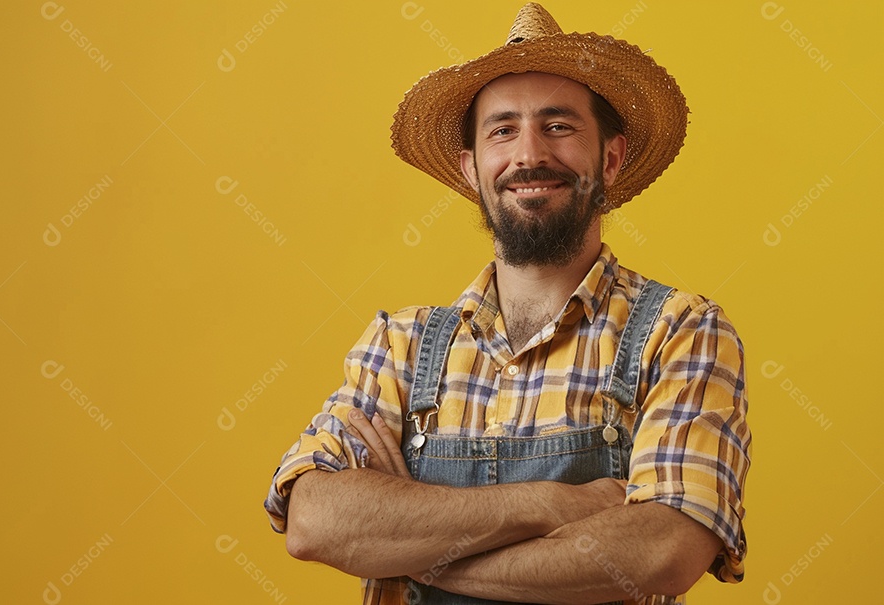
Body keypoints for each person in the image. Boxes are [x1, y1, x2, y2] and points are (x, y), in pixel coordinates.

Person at [263, 4, 750, 604]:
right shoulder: (400, 347)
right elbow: (314, 520)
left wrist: (412, 548)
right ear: (472, 169)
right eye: (502, 130)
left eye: (558, 126)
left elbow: (662, 550)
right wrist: (549, 504)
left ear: (610, 159)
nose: (529, 155)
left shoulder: (679, 332)